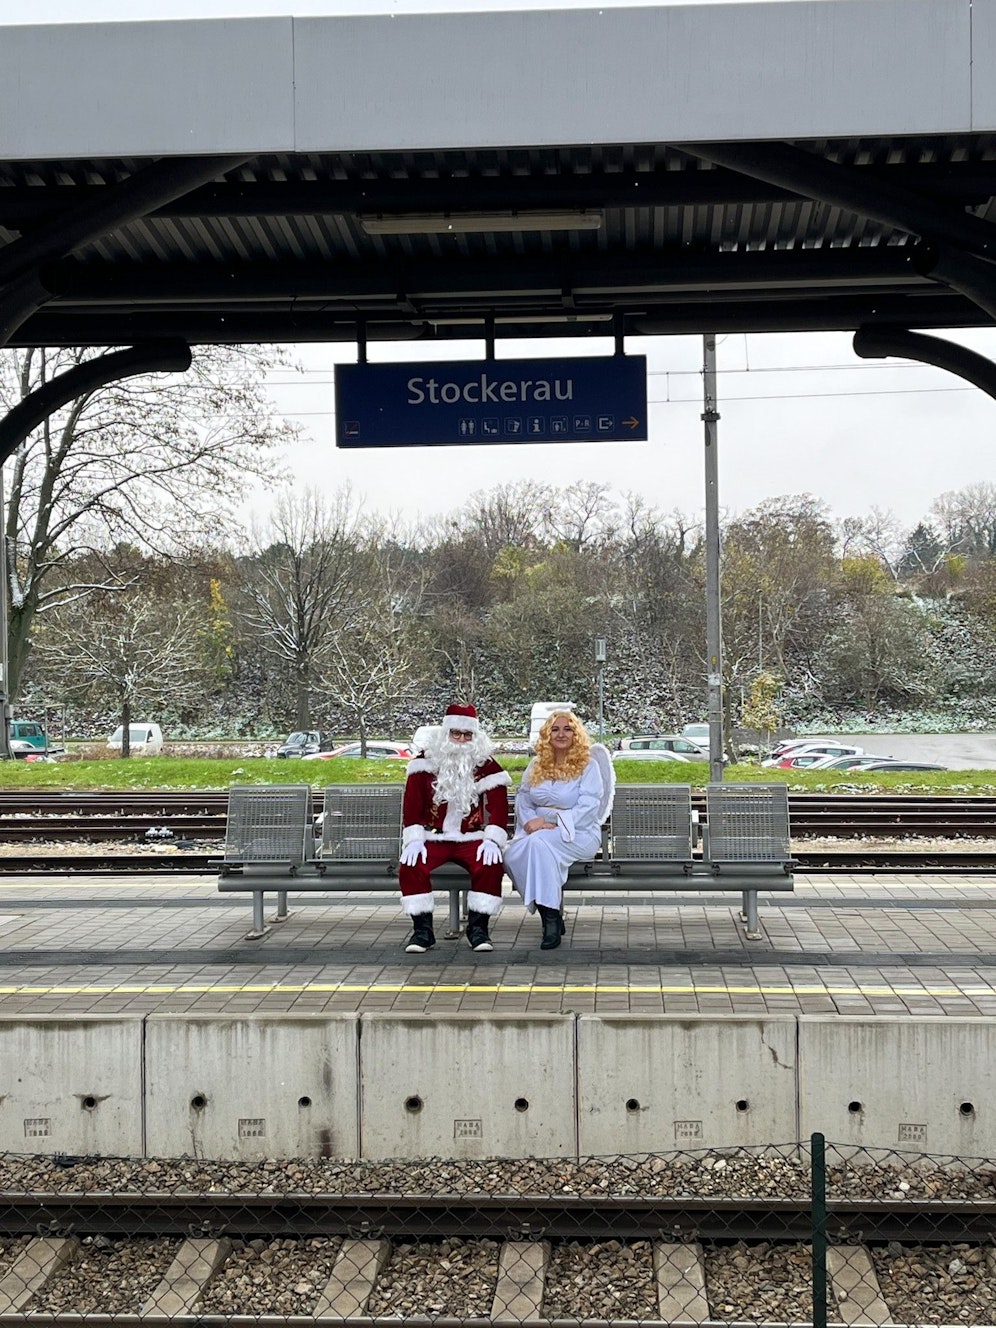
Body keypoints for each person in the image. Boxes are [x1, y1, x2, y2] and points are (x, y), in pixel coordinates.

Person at [399, 703, 511, 954]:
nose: (461, 740)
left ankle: (478, 929)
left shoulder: (487, 767)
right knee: (411, 864)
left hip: (471, 838)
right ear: (445, 734)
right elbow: (412, 806)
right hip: (432, 838)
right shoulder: (424, 764)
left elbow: (499, 808)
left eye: (467, 735)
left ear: (475, 737)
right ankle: (422, 932)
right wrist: (414, 838)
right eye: (456, 734)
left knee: (490, 864)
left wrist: (493, 839)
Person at [504, 711, 613, 951]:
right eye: (555, 729)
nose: (561, 734)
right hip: (538, 833)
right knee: (511, 855)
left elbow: (589, 807)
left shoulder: (588, 766)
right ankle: (550, 912)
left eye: (567, 729)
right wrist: (534, 822)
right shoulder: (536, 765)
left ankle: (550, 920)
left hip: (580, 833)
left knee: (538, 845)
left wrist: (549, 819)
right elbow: (524, 799)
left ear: (576, 734)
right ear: (547, 734)